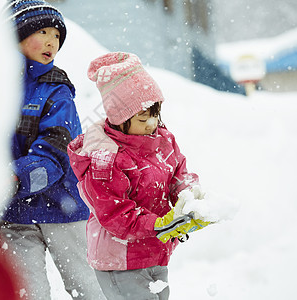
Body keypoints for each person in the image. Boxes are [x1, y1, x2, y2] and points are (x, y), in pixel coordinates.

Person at [67, 52, 210, 300]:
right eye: (143, 118)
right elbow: (115, 214)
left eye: (155, 114)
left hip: (156, 249)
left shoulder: (162, 141)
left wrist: (189, 196)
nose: (151, 123)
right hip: (120, 259)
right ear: (119, 118)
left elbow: (178, 173)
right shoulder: (105, 157)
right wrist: (159, 225)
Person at [0, 1, 105, 299]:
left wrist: (15, 177)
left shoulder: (56, 90)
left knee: (87, 287)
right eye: (42, 32)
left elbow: (57, 150)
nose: (51, 42)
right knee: (25, 291)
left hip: (62, 207)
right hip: (13, 214)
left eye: (56, 36)